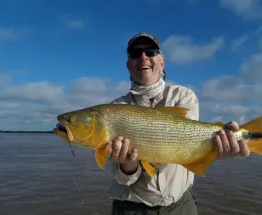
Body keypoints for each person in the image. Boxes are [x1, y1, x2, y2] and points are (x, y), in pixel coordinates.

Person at [107, 32, 251, 215]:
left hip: (180, 207)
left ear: (162, 62)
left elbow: (190, 145)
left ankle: (250, 136)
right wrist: (128, 166)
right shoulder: (115, 109)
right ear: (128, 65)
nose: (143, 57)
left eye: (150, 51)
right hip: (130, 209)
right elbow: (121, 178)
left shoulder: (184, 96)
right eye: (135, 53)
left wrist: (220, 146)